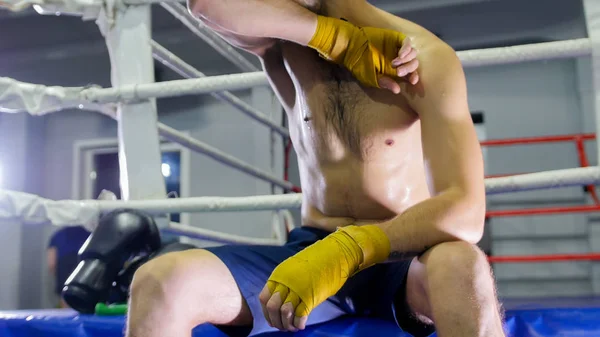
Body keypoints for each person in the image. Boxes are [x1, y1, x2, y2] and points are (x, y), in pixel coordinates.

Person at [126, 1, 505, 336]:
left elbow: (466, 211)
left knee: (462, 265)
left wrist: (345, 253)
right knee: (159, 280)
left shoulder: (418, 55)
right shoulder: (282, 48)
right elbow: (207, 4)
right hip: (308, 250)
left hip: (399, 258)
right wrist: (338, 39)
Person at [47, 225, 90, 308]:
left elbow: (51, 263)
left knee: (66, 300)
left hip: (64, 267)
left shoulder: (57, 235)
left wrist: (57, 276)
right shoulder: (89, 234)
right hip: (84, 269)